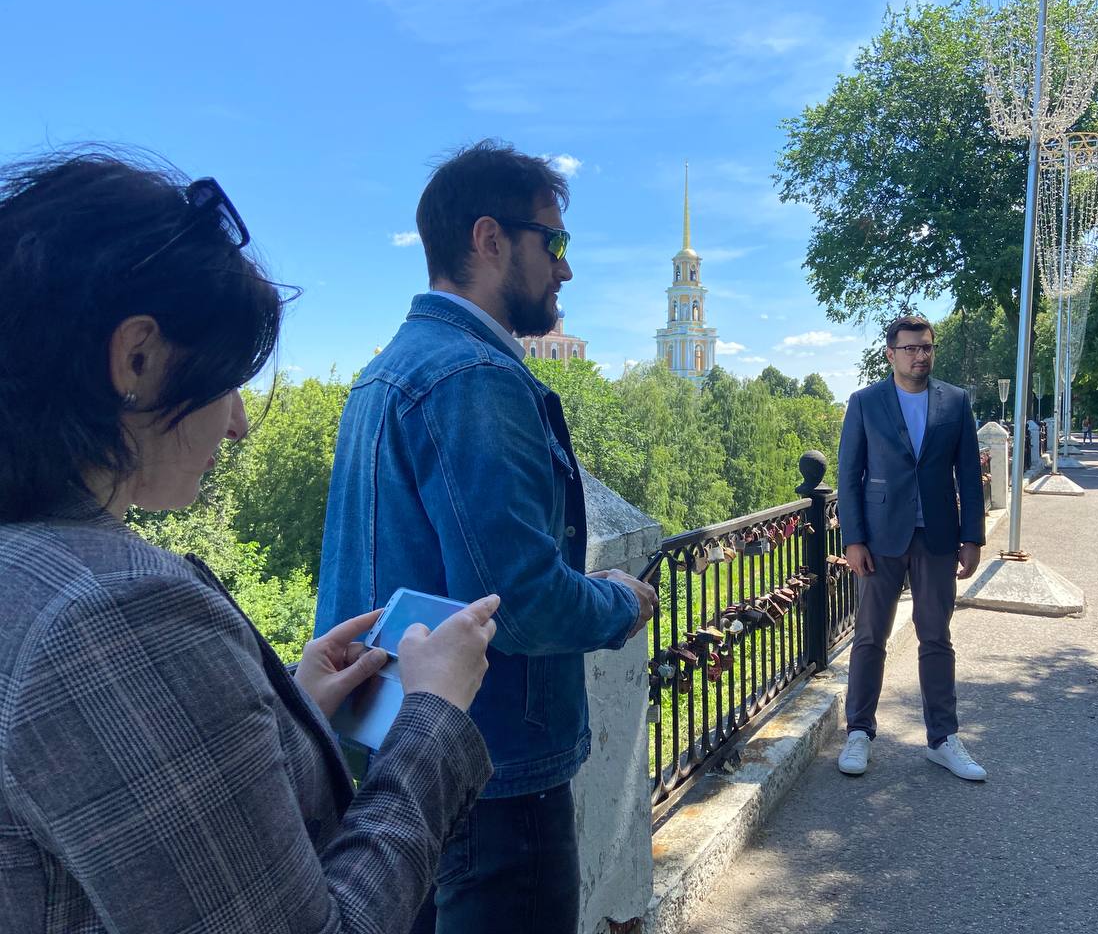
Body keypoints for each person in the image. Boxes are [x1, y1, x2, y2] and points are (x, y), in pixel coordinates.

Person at [0, 150, 498, 934]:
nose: (236, 425)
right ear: (137, 359)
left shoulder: (25, 562)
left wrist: (288, 712)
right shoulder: (112, 612)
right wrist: (431, 714)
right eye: (229, 379)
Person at [316, 140, 658, 934]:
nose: (566, 268)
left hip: (402, 760)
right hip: (495, 779)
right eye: (554, 240)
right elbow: (521, 601)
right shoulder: (476, 378)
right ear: (489, 239)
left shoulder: (387, 370)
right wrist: (620, 602)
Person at [835, 315, 988, 781]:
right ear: (891, 354)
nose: (920, 356)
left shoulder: (955, 401)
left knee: (936, 637)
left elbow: (968, 474)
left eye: (927, 347)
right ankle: (859, 732)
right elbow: (849, 475)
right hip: (880, 538)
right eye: (910, 348)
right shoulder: (866, 402)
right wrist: (853, 540)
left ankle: (943, 739)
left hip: (937, 536)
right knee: (869, 637)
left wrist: (972, 537)